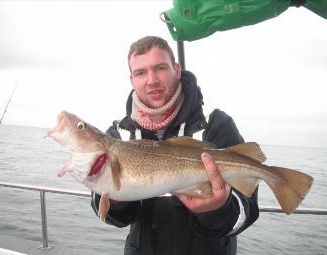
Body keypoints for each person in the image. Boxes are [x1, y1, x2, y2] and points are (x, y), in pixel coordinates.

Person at [91, 36, 259, 255]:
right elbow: (114, 217)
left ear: (176, 70)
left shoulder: (215, 124)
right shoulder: (119, 136)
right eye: (141, 73)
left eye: (160, 68)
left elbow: (246, 211)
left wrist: (216, 210)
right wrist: (117, 201)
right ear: (131, 79)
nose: (151, 80)